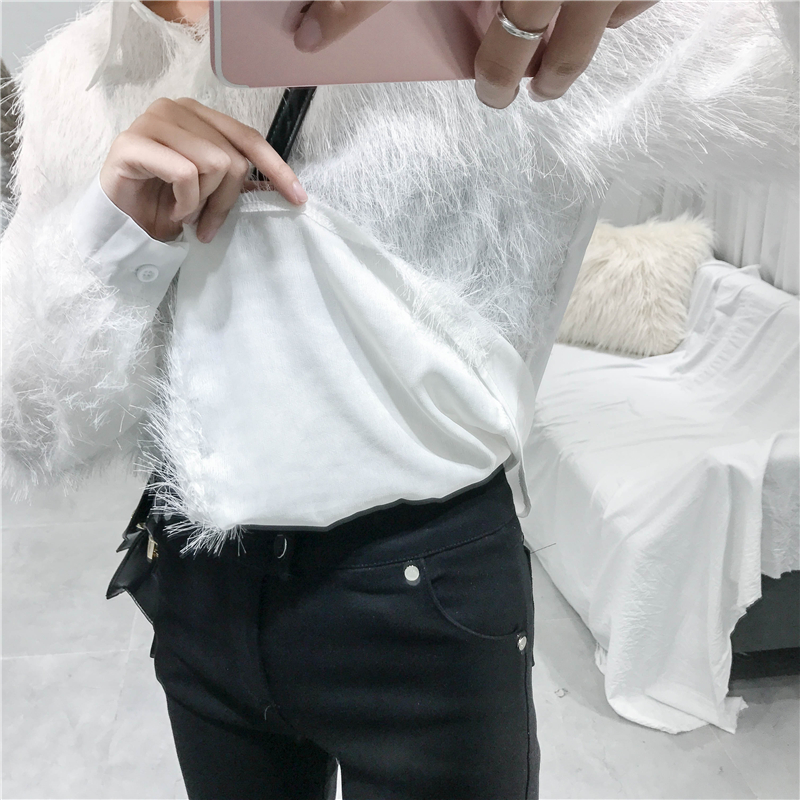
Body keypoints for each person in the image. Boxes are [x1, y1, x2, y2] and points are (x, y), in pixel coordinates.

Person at [1, 1, 796, 798]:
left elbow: (780, 96)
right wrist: (110, 240)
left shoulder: (480, 19)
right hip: (197, 585)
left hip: (426, 595)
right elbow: (30, 428)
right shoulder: (77, 77)